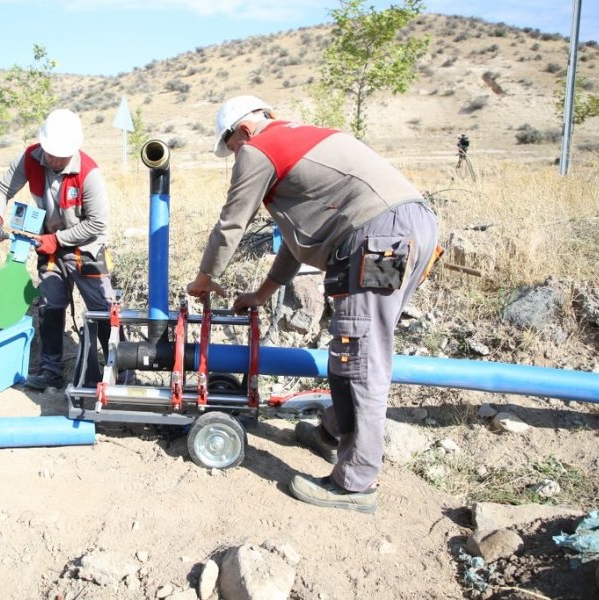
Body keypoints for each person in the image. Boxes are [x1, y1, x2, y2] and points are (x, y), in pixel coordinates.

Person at [186, 96, 440, 514]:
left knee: (362, 356)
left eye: (231, 148)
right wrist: (263, 293)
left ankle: (355, 484)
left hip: (380, 240)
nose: (235, 157)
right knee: (353, 346)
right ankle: (331, 433)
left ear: (243, 131)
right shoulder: (297, 142)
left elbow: (231, 224)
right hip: (402, 232)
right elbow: (296, 240)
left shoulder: (258, 149)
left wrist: (204, 278)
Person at [0, 109, 120, 391]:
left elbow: (97, 223)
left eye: (62, 155)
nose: (56, 160)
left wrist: (58, 240)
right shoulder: (30, 158)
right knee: (50, 305)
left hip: (85, 248)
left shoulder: (88, 172)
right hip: (49, 246)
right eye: (52, 153)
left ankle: (121, 370)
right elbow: (1, 189)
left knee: (103, 310)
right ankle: (51, 370)